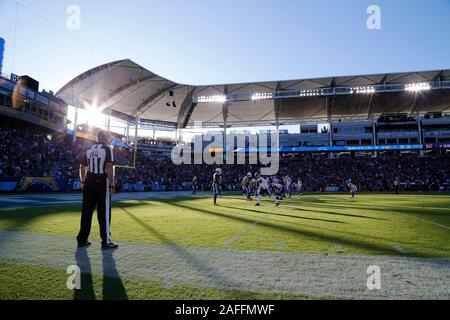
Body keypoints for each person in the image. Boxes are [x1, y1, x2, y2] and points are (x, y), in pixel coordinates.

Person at [76, 131, 118, 250]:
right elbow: (109, 168)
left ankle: (82, 239)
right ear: (106, 138)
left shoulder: (89, 148)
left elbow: (82, 167)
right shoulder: (107, 149)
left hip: (89, 182)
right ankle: (106, 241)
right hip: (101, 182)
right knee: (104, 213)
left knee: (86, 212)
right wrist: (111, 185)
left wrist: (83, 181)